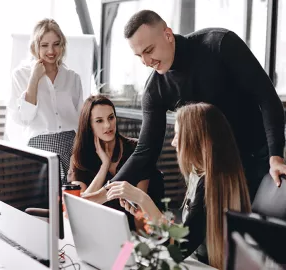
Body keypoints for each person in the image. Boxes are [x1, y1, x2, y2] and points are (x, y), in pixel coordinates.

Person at [88, 9, 285, 203]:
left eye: (149, 50)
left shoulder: (220, 44)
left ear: (167, 35)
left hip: (258, 156)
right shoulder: (155, 89)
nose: (146, 62)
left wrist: (275, 155)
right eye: (139, 56)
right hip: (210, 171)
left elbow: (267, 98)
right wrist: (106, 192)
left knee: (257, 231)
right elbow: (146, 151)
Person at [106, 103, 252, 269]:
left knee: (123, 260)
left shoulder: (209, 185)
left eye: (177, 135)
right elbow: (186, 232)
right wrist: (144, 212)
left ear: (195, 139)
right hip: (193, 261)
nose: (174, 143)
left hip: (201, 265)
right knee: (125, 254)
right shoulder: (198, 174)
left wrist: (143, 199)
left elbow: (179, 249)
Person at [67, 95, 164, 230]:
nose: (108, 125)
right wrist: (104, 166)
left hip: (134, 235)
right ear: (89, 125)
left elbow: (141, 222)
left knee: (124, 251)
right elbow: (79, 209)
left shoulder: (137, 151)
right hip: (98, 232)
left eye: (111, 118)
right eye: (99, 121)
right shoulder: (79, 158)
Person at [7, 18, 83, 182]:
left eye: (56, 44)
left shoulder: (73, 78)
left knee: (68, 199)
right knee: (41, 201)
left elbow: (79, 120)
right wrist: (34, 79)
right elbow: (24, 118)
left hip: (71, 148)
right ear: (35, 46)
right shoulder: (21, 75)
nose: (51, 50)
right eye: (44, 45)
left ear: (62, 45)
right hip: (38, 147)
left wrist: (77, 153)